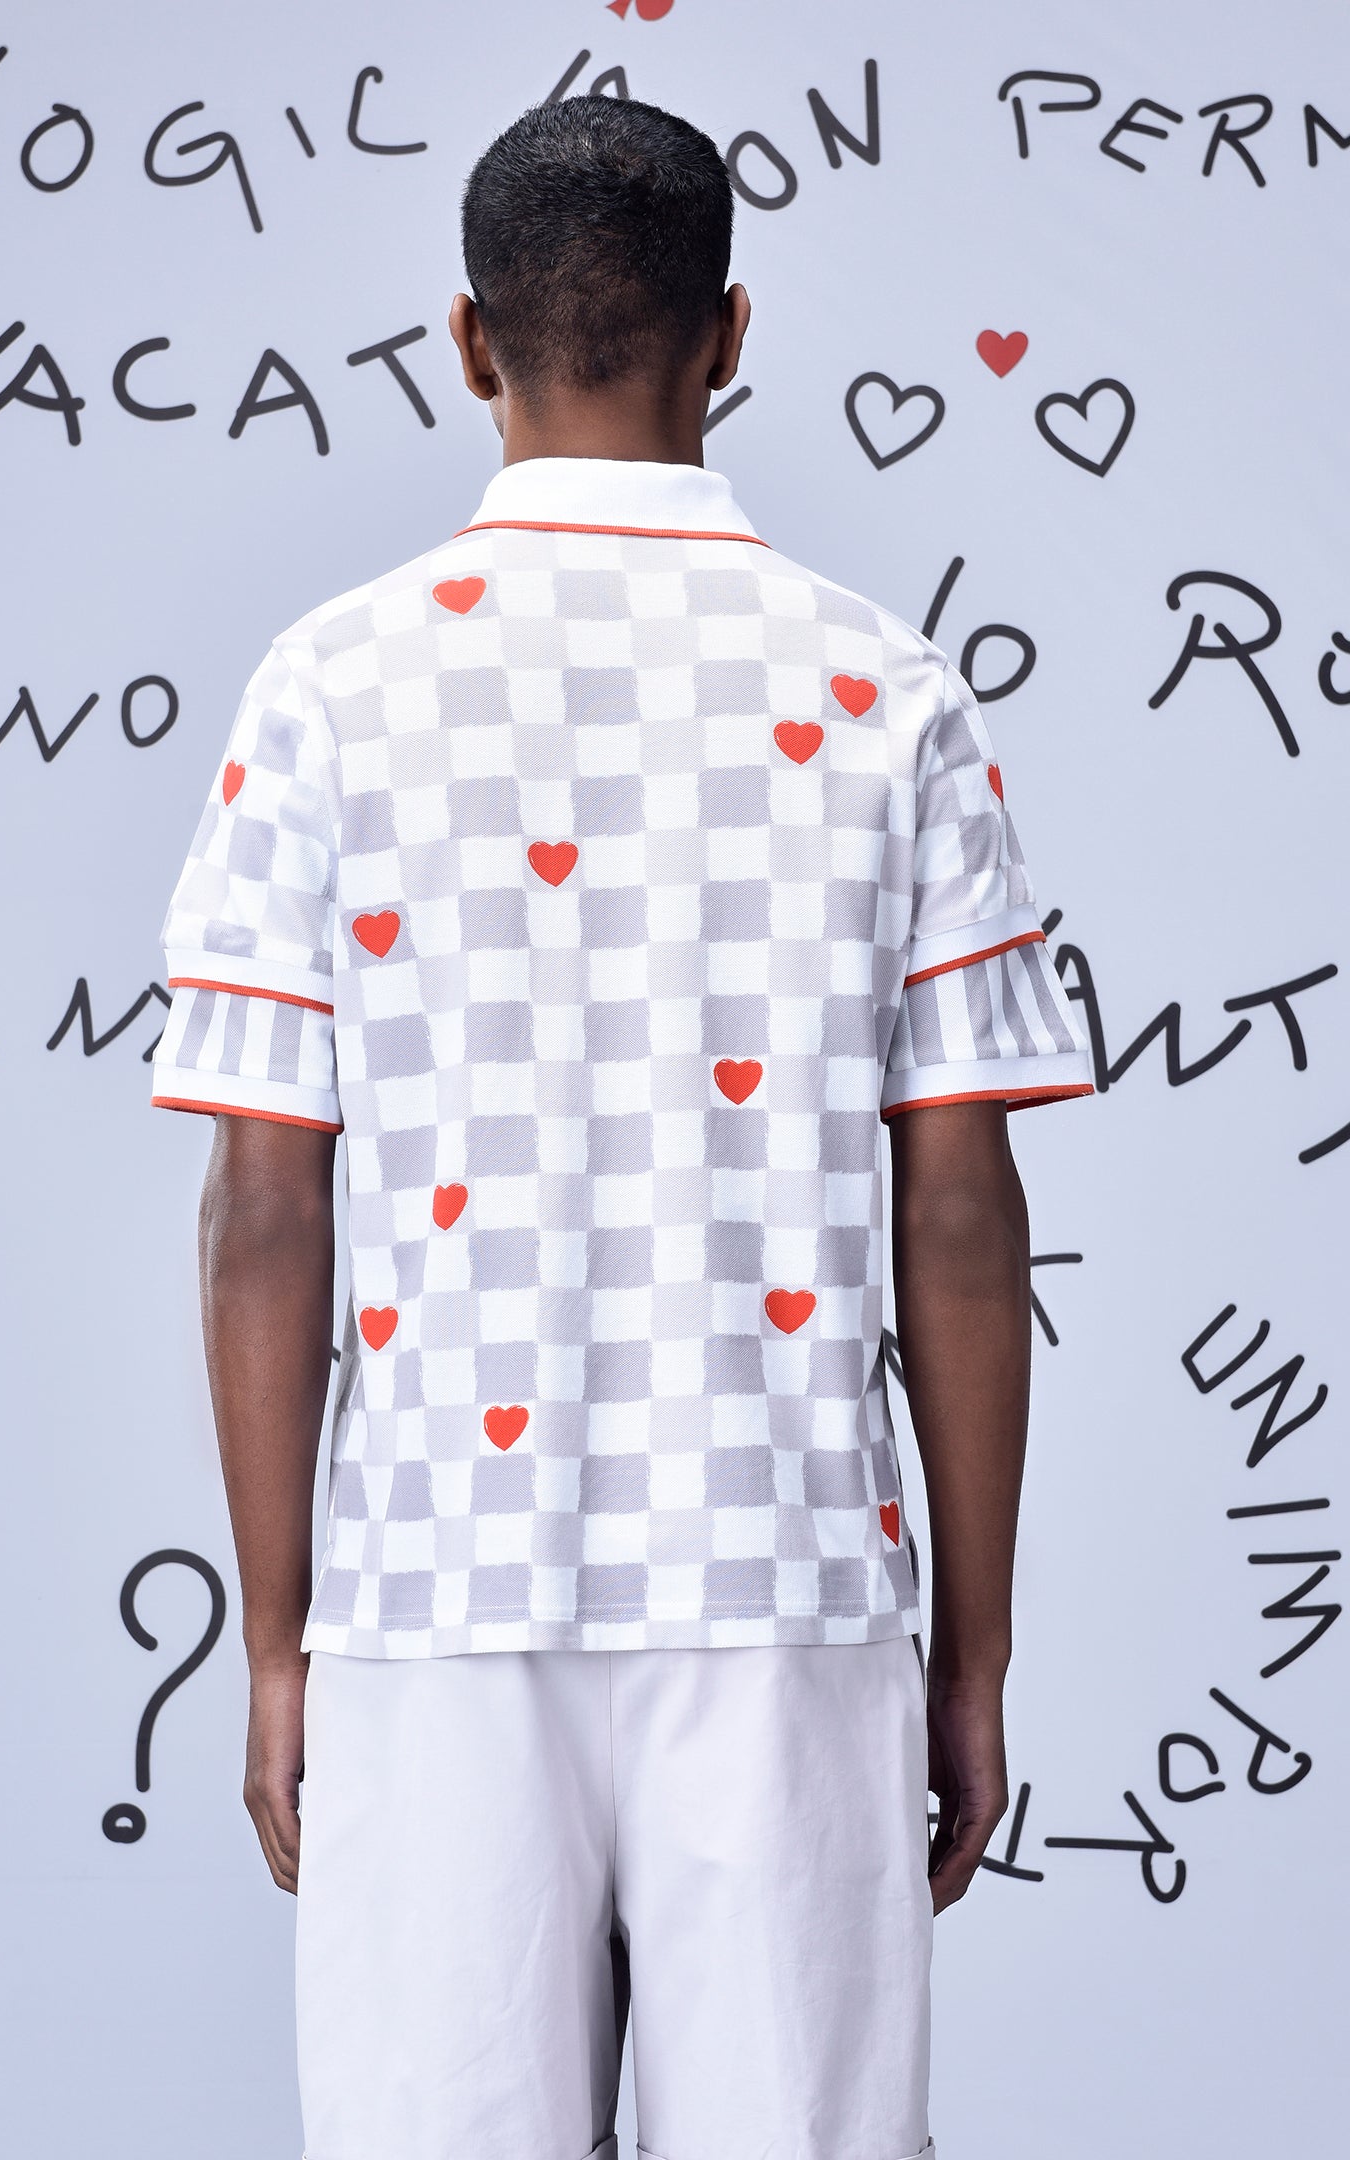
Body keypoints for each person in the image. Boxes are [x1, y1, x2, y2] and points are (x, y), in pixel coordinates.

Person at [152, 94, 1092, 2160]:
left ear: (467, 344)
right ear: (731, 333)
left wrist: (279, 1643)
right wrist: (974, 1652)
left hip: (431, 1592)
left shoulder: (326, 689)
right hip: (789, 1589)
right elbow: (961, 1213)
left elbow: (261, 1209)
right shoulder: (890, 692)